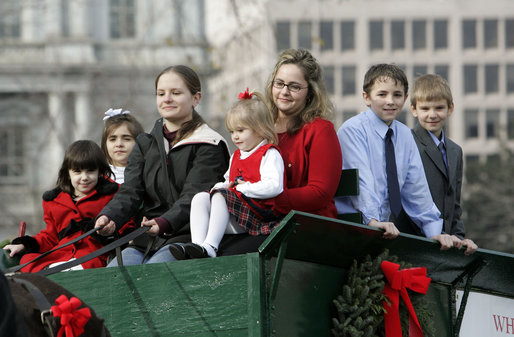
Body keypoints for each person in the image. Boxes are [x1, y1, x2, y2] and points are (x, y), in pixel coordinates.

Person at [95, 65, 230, 266]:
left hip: (189, 236)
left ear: (196, 98)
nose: (167, 99)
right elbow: (130, 191)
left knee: (154, 276)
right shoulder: (144, 143)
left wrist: (164, 223)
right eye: (161, 93)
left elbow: (193, 196)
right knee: (114, 276)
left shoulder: (210, 144)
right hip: (145, 238)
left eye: (176, 93)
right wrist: (110, 216)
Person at [336, 64, 454, 250]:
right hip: (352, 227)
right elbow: (361, 183)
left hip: (383, 231)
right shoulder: (353, 130)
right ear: (366, 97)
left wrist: (434, 231)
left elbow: (416, 188)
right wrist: (372, 221)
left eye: (397, 95)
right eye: (382, 94)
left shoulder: (405, 135)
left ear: (406, 98)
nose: (390, 101)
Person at [170, 89, 285, 259]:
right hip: (237, 213)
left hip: (259, 216)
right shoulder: (236, 156)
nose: (235, 137)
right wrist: (221, 186)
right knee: (200, 198)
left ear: (260, 130)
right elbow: (228, 180)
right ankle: (197, 246)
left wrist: (243, 188)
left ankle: (210, 248)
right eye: (232, 132)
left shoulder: (269, 154)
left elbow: (275, 186)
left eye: (240, 130)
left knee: (221, 196)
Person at [3, 140, 129, 272]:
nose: (84, 177)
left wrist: (109, 230)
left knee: (86, 265)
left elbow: (127, 224)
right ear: (68, 173)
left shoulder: (113, 195)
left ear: (99, 171)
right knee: (27, 261)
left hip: (95, 254)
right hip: (61, 253)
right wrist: (24, 244)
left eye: (90, 171)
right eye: (77, 172)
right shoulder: (54, 201)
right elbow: (50, 237)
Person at [265, 48, 342, 218]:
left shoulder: (320, 130)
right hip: (264, 220)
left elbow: (320, 193)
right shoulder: (261, 127)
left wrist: (267, 200)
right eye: (279, 83)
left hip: (306, 225)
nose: (284, 92)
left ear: (310, 92)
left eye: (294, 87)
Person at [410, 74, 478, 254]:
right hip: (416, 241)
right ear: (414, 109)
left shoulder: (456, 151)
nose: (432, 114)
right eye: (425, 108)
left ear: (450, 108)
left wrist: (459, 238)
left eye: (439, 107)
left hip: (447, 245)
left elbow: (454, 203)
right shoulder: (407, 143)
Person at [101, 108, 144, 184]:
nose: (119, 144)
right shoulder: (98, 178)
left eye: (126, 139)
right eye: (113, 139)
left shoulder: (147, 176)